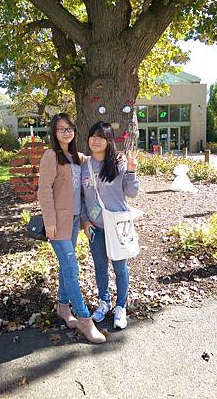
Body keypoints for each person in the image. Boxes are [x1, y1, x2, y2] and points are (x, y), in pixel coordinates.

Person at [38, 113, 105, 344]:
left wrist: (120, 158)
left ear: (74, 131)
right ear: (54, 133)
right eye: (61, 129)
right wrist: (50, 222)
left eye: (69, 129)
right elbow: (44, 190)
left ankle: (63, 307)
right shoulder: (50, 156)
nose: (66, 133)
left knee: (67, 267)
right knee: (72, 268)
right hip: (58, 223)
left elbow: (99, 155)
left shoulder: (77, 158)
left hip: (75, 220)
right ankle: (85, 320)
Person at [81, 121, 139, 330]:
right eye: (92, 136)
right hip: (95, 227)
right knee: (100, 268)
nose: (96, 141)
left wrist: (131, 170)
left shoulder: (118, 163)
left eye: (101, 137)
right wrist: (85, 220)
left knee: (120, 269)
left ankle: (120, 306)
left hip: (118, 226)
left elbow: (131, 192)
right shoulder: (83, 166)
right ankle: (104, 302)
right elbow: (80, 196)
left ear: (108, 141)